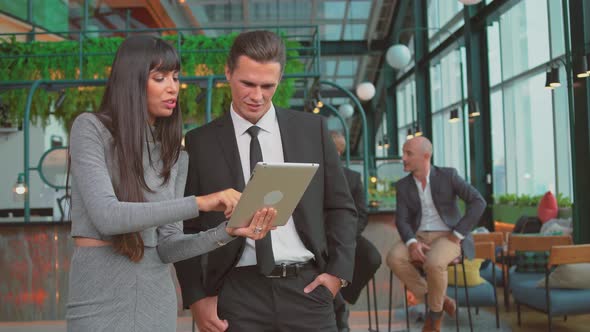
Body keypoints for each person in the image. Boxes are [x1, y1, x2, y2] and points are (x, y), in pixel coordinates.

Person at [66, 35, 276, 331]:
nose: (172, 87)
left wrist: (226, 231)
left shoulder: (174, 155)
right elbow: (108, 216)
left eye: (176, 77)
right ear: (132, 80)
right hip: (98, 297)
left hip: (157, 299)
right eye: (160, 77)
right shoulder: (91, 129)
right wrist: (200, 203)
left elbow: (168, 247)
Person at [174, 30, 358, 332]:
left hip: (309, 289)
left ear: (280, 79)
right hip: (234, 294)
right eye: (247, 83)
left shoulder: (311, 130)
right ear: (228, 73)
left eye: (267, 86)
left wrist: (337, 276)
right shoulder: (199, 143)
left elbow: (340, 208)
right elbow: (187, 226)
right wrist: (197, 297)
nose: (257, 96)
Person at [385, 136, 485, 332]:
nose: (403, 158)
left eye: (408, 154)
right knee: (394, 258)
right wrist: (412, 243)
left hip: (447, 235)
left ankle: (434, 319)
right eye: (403, 153)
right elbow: (402, 220)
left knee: (434, 262)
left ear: (426, 156)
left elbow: (478, 202)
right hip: (419, 235)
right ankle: (439, 299)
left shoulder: (449, 176)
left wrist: (458, 233)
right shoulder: (403, 186)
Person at [330, 131, 382, 332]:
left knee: (372, 257)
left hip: (348, 236)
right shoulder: (311, 175)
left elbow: (362, 213)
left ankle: (345, 295)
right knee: (331, 263)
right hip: (320, 239)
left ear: (338, 152)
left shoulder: (353, 178)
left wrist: (348, 237)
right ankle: (340, 311)